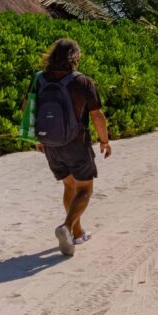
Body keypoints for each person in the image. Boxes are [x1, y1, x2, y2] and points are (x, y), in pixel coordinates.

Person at [32, 39, 112, 256]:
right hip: (76, 143)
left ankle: (77, 233)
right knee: (85, 189)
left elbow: (29, 108)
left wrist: (36, 138)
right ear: (75, 57)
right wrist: (104, 140)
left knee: (69, 186)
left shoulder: (39, 79)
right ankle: (67, 228)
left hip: (50, 143)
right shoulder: (83, 82)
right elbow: (97, 115)